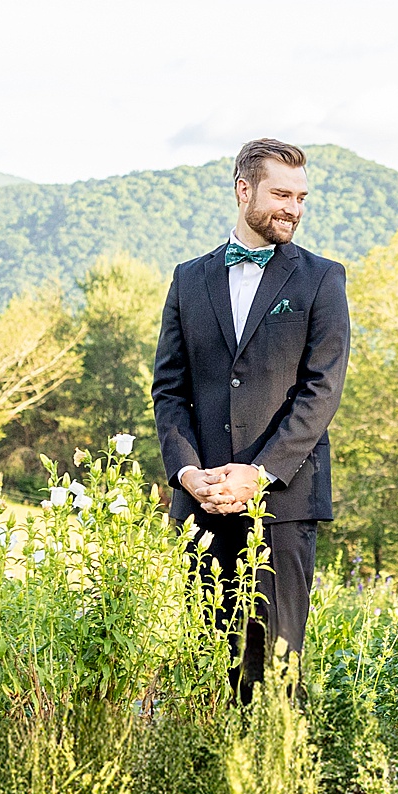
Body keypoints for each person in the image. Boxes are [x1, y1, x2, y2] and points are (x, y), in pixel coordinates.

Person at [151, 138, 350, 694]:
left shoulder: (322, 278)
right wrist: (189, 475)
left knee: (277, 663)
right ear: (244, 190)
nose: (294, 208)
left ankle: (277, 776)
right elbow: (170, 391)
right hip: (203, 500)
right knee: (206, 661)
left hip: (282, 501)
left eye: (302, 197)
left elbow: (321, 391)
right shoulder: (189, 279)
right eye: (281, 194)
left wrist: (257, 474)